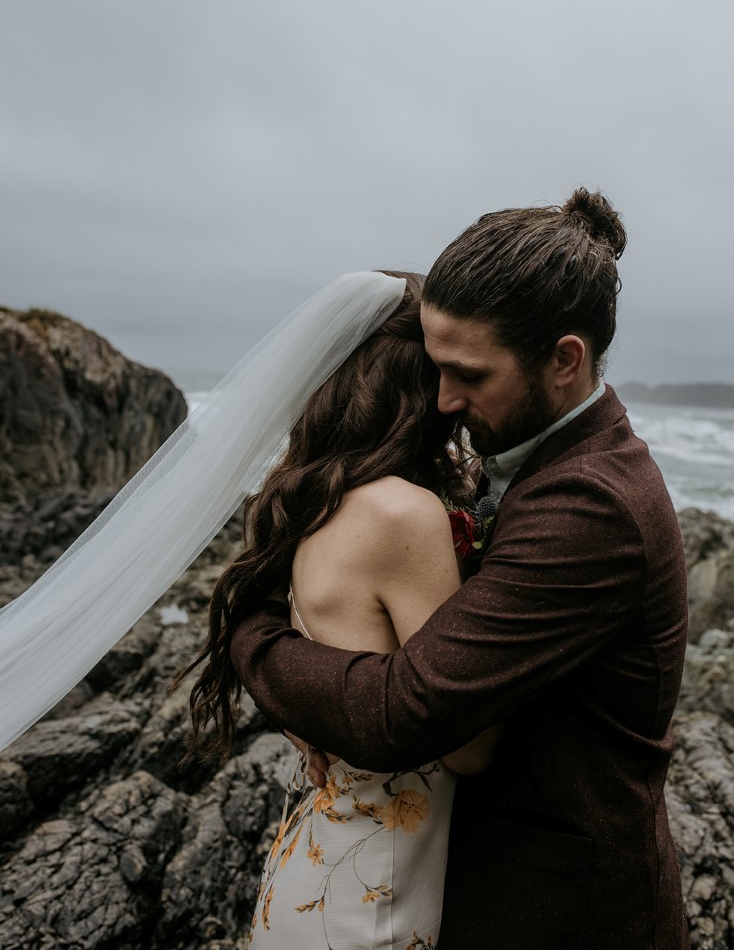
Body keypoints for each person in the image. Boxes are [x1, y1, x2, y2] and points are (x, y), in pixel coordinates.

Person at [229, 189, 691, 950]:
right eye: (435, 367)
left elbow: (401, 712)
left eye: (469, 374)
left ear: (565, 360)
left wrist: (255, 636)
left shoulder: (594, 503)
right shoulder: (523, 460)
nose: (444, 400)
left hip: (565, 913)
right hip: (470, 885)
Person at [181, 272, 499, 949]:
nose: (456, 397)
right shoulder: (402, 514)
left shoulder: (312, 497)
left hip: (318, 864)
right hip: (376, 894)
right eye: (445, 372)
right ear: (418, 386)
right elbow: (469, 748)